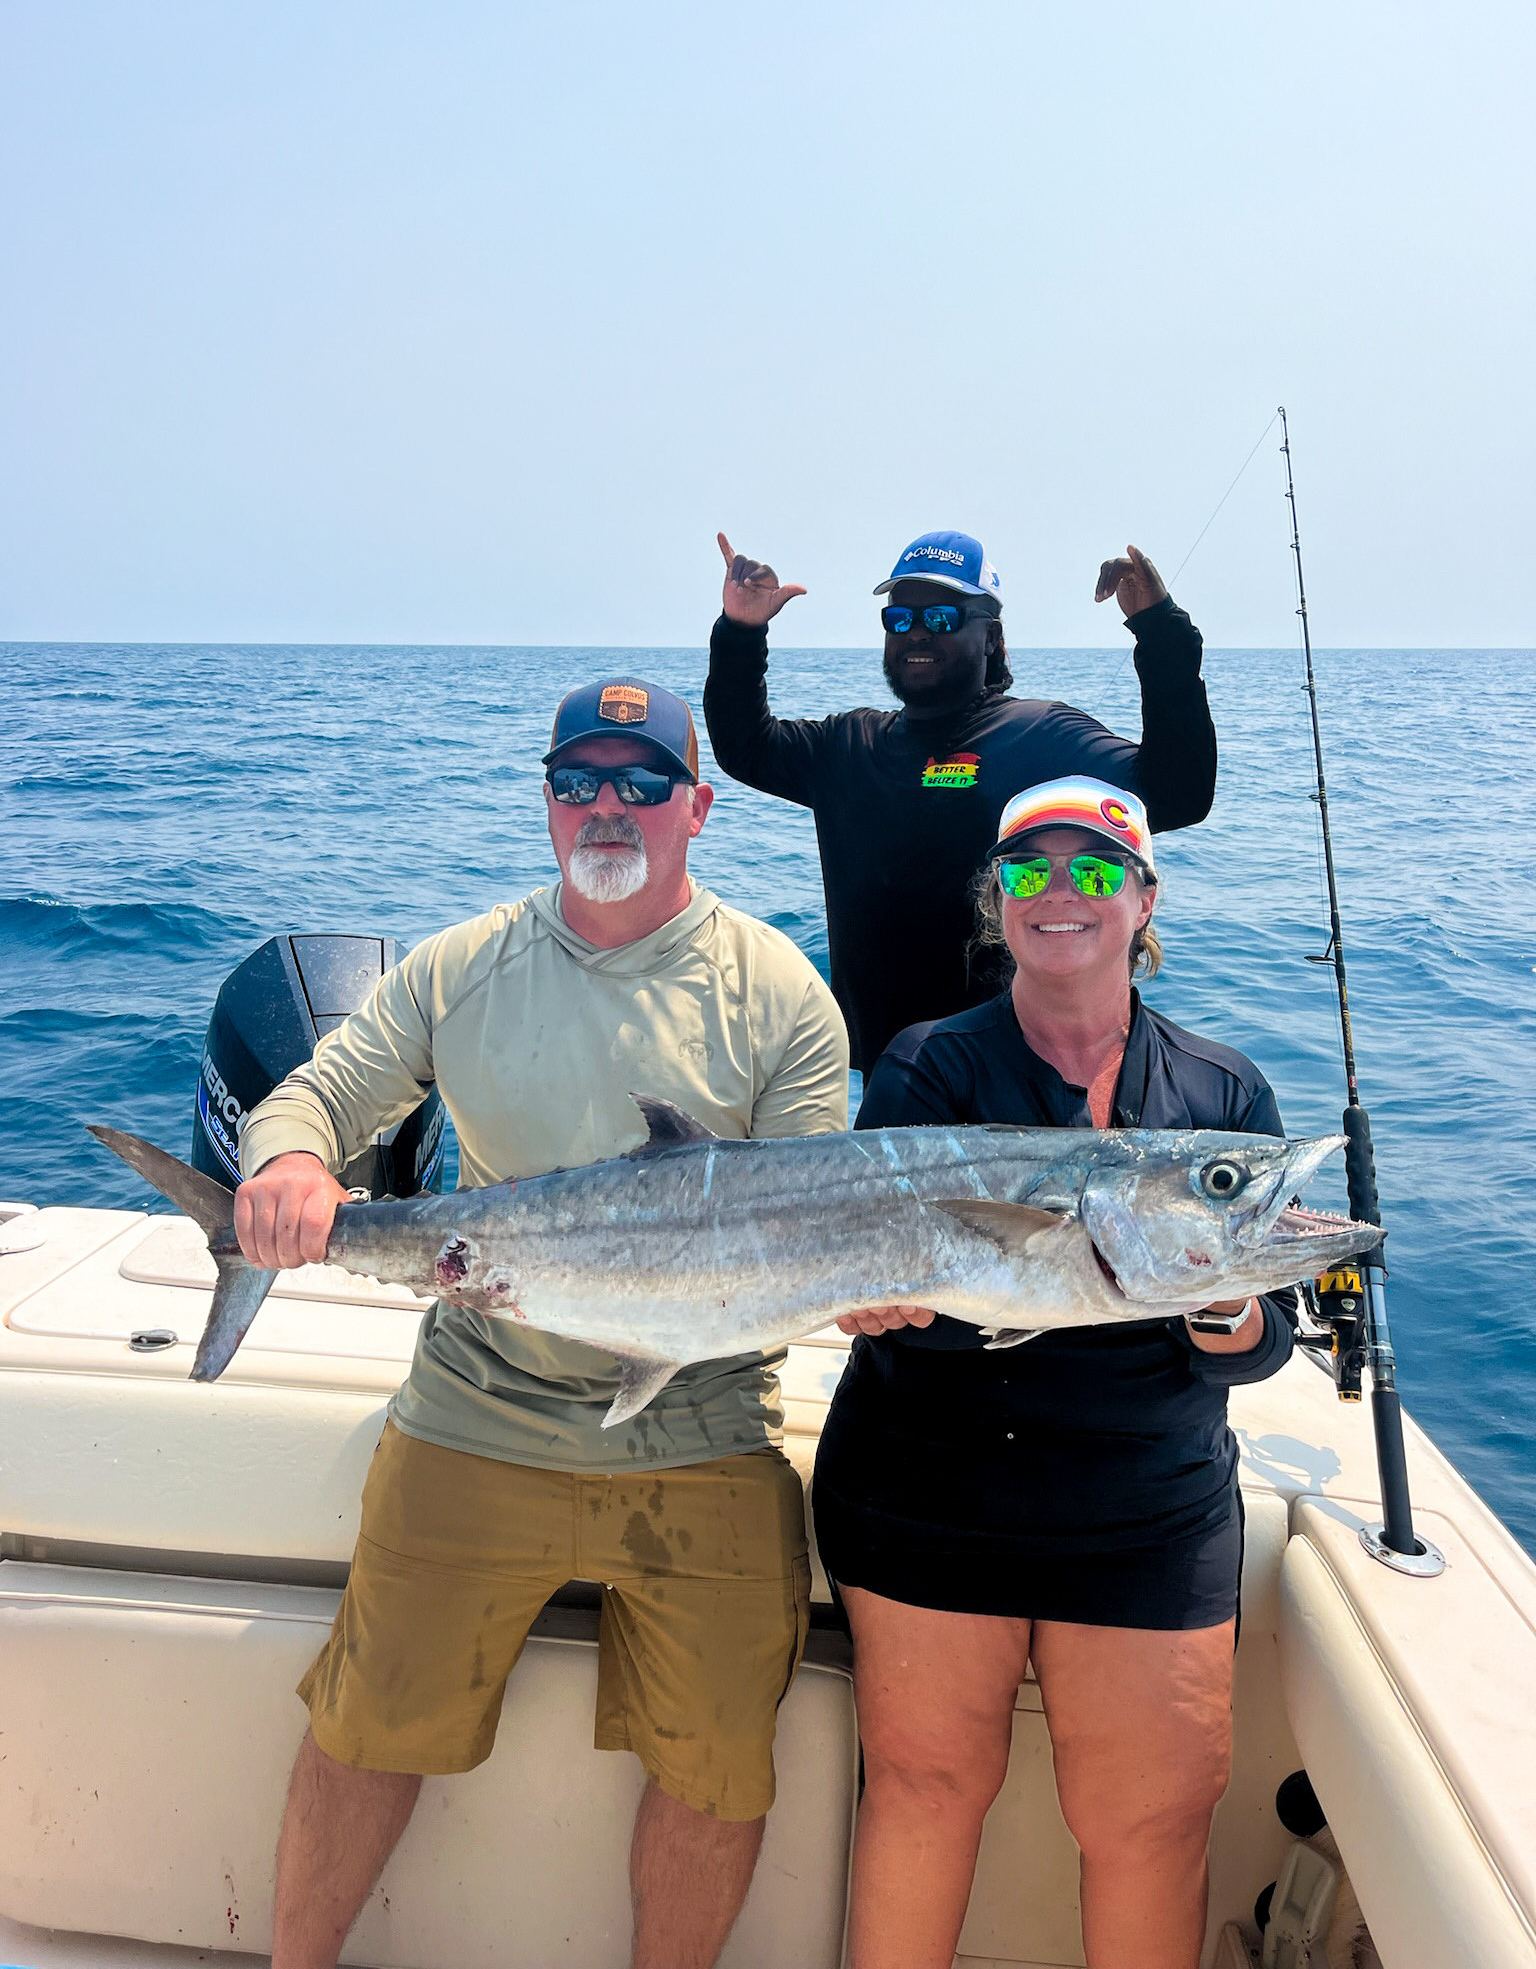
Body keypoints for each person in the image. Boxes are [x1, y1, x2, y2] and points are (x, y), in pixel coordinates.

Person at [233, 676, 849, 1969]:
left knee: (724, 1758)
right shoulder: (467, 964)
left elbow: (812, 1213)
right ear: (548, 802)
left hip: (701, 1419)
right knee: (369, 1717)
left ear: (699, 803)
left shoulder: (779, 992)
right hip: (480, 1403)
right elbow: (319, 1094)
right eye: (580, 780)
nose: (607, 806)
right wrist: (288, 1164)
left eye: (639, 781)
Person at [811, 777, 1297, 1969]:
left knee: (1152, 1819)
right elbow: (900, 1303)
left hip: (1146, 1504)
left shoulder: (1222, 1099)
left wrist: (1228, 1300)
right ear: (996, 903)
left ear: (1143, 897)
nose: (1062, 892)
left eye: (1095, 868)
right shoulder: (928, 1065)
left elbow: (1264, 1339)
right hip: (933, 1486)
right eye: (1027, 871)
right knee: (924, 1786)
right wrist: (881, 1307)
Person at [703, 527, 1218, 1075]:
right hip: (889, 1075)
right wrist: (741, 630)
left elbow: (1178, 793)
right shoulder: (849, 746)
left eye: (942, 618)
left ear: (992, 637)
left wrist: (1158, 628)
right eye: (899, 619)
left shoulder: (1043, 733)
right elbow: (745, 747)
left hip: (1019, 1078)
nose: (917, 633)